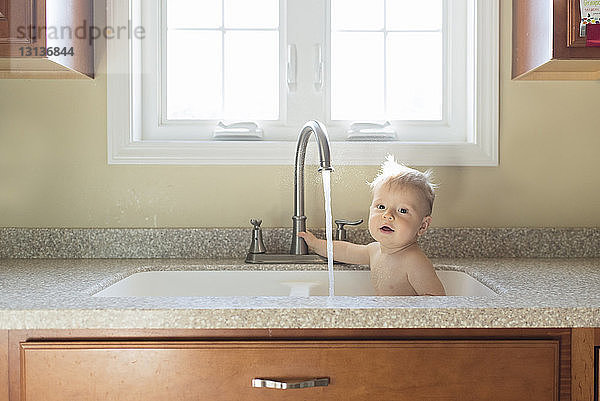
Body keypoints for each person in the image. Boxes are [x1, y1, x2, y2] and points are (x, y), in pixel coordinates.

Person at [298, 155, 445, 296]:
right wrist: (316, 244)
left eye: (402, 210)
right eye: (381, 206)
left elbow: (438, 303)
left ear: (422, 226)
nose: (388, 215)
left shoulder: (414, 262)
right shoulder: (375, 251)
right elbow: (347, 251)